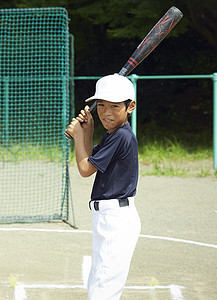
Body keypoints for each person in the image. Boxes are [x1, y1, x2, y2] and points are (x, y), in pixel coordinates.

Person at [65, 74, 141, 300]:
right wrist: (86, 132)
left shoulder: (121, 137)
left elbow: (85, 169)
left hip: (115, 220)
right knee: (98, 282)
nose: (106, 112)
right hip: (108, 218)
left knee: (102, 289)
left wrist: (78, 135)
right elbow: (89, 158)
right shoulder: (113, 135)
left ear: (130, 107)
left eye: (115, 106)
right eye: (102, 105)